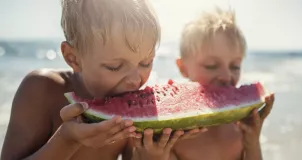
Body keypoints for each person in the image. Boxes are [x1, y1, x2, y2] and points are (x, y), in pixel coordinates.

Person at [0, 0, 205, 160]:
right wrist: (68, 138)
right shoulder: (41, 89)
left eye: (146, 62)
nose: (136, 79)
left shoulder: (135, 104)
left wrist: (152, 154)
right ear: (73, 58)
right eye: (114, 66)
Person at [133, 7, 275, 160]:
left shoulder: (240, 129)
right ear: (183, 68)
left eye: (235, 66)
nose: (227, 76)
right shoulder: (172, 135)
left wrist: (252, 142)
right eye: (211, 66)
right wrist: (153, 155)